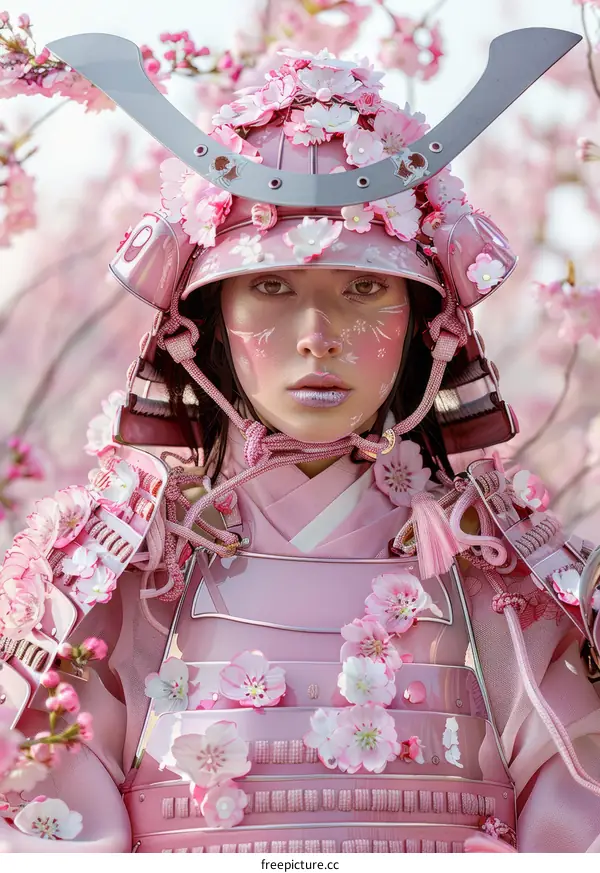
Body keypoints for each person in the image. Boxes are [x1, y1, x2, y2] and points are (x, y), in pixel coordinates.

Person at [1, 32, 600, 854]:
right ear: (203, 324)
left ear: (428, 326)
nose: (317, 336)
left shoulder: (499, 578)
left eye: (362, 289)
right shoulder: (121, 575)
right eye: (272, 288)